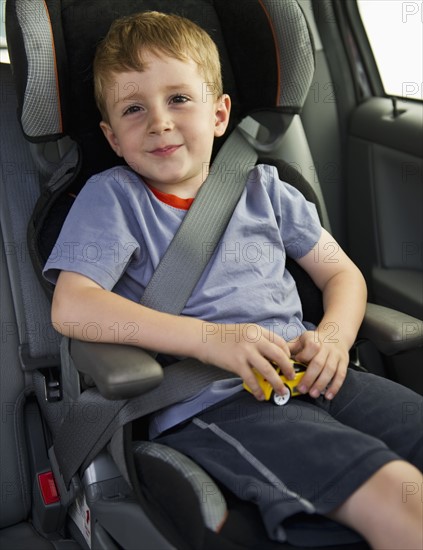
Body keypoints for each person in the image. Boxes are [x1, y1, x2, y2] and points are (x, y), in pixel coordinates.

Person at [43, 11, 422, 549]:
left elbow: (341, 274)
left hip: (316, 375)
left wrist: (334, 337)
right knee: (398, 493)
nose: (160, 122)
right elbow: (73, 305)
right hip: (217, 402)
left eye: (178, 99)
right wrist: (211, 338)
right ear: (112, 137)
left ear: (220, 113)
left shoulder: (268, 189)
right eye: (134, 109)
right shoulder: (113, 199)